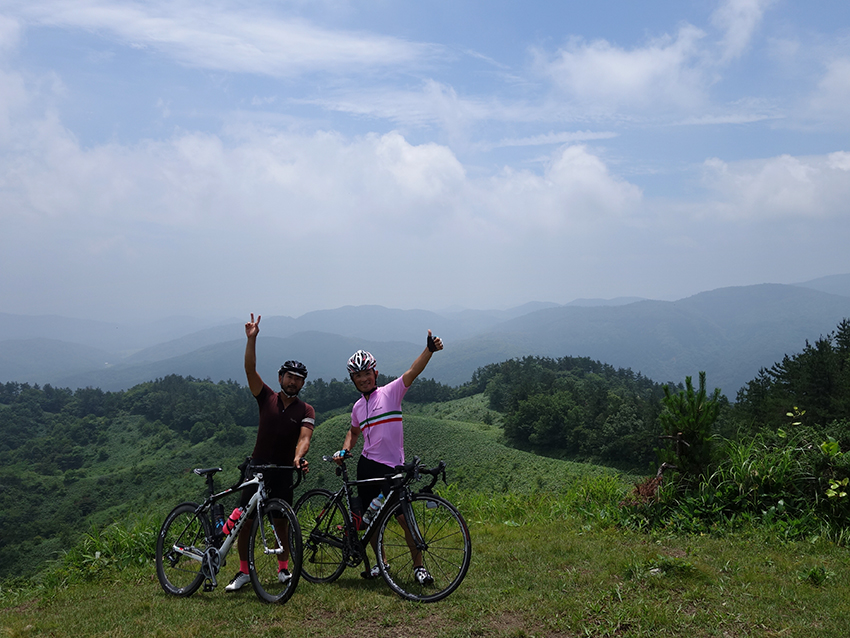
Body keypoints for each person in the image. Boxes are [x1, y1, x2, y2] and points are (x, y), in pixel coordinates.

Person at [333, 329, 443, 585]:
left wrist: (429, 350)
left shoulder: (391, 393)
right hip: (366, 467)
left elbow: (412, 372)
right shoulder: (358, 407)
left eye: (366, 373)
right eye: (358, 376)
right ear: (353, 379)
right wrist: (345, 449)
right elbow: (353, 432)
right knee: (371, 519)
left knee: (405, 519)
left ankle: (419, 568)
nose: (363, 379)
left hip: (392, 469)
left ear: (375, 374)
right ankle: (380, 564)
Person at [225, 313, 316, 592]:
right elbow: (250, 370)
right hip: (258, 467)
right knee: (246, 521)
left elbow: (304, 438)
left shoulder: (306, 410)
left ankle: (283, 569)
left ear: (302, 384)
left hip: (284, 471)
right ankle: (242, 572)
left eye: (298, 379)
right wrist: (251, 340)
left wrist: (298, 457)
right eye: (289, 376)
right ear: (280, 377)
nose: (293, 382)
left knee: (281, 523)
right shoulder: (266, 397)